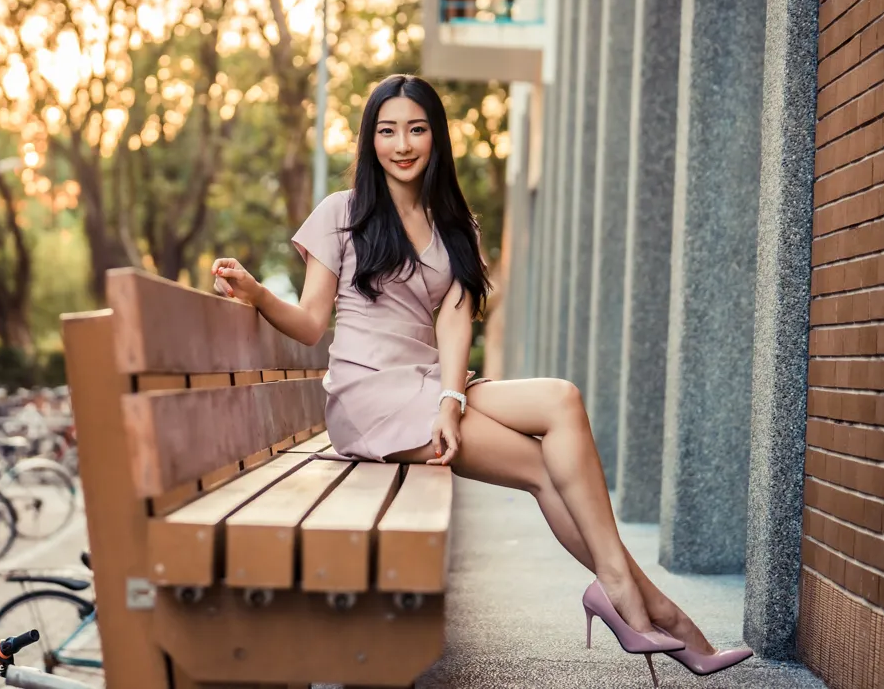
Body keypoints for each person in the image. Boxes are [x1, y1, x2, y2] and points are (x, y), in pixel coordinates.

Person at [211, 74, 751, 685]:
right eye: (387, 131)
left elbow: (454, 328)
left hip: (429, 384)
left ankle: (628, 597)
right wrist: (256, 293)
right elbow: (310, 324)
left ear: (437, 137)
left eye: (416, 129)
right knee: (543, 470)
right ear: (371, 141)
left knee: (563, 400)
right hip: (370, 399)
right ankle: (652, 610)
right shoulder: (342, 214)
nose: (402, 144)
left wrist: (449, 398)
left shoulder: (452, 224)